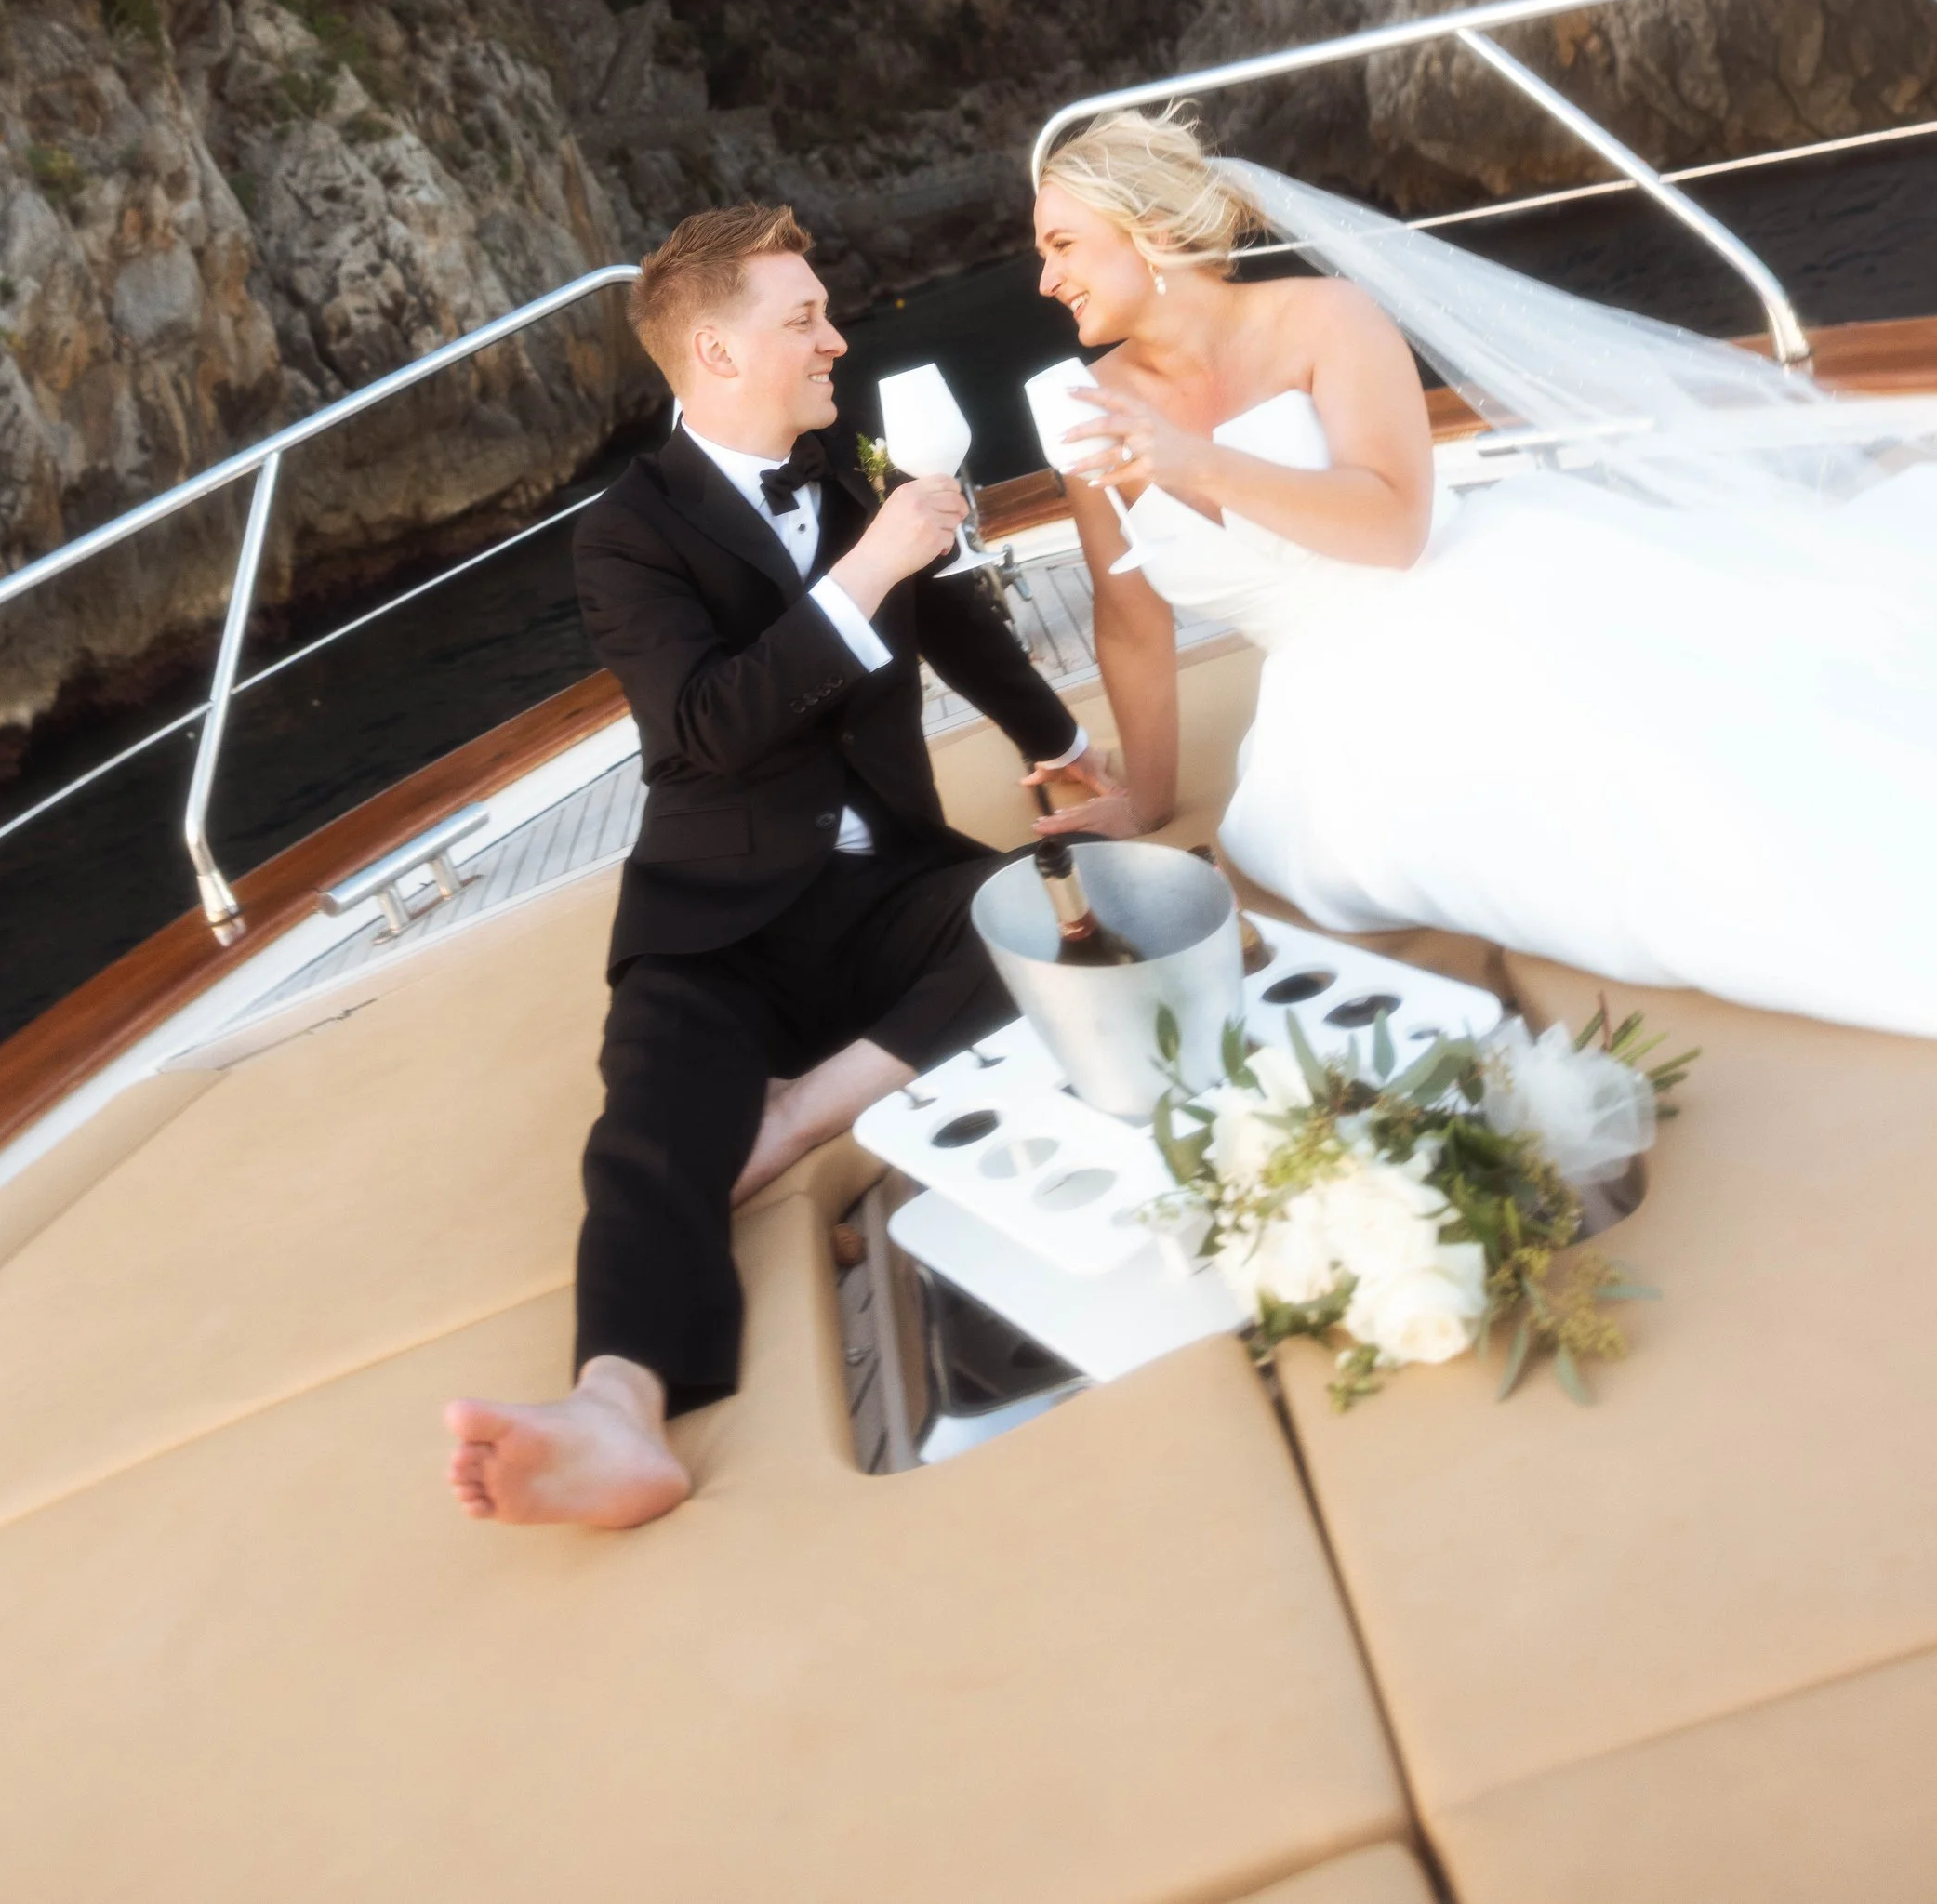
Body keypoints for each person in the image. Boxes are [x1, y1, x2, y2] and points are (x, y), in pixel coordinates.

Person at [444, 201, 1089, 1528]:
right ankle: (618, 1407)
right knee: (648, 1122)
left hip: (887, 883)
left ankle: (797, 1113)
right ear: (718, 355)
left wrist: (1060, 737)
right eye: (805, 321)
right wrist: (867, 569)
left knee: (1037, 914)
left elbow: (953, 620)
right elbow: (708, 727)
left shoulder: (848, 462)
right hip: (718, 911)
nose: (836, 341)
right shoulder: (626, 533)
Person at [1028, 106, 1937, 1038]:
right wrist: (1142, 799)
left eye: (1063, 244)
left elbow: (1392, 529)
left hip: (1471, 590)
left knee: (1662, 761)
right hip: (1329, 704)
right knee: (1474, 839)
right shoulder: (1087, 409)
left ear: (1154, 233)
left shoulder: (1320, 317)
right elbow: (1128, 615)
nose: (1046, 278)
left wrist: (1197, 462)